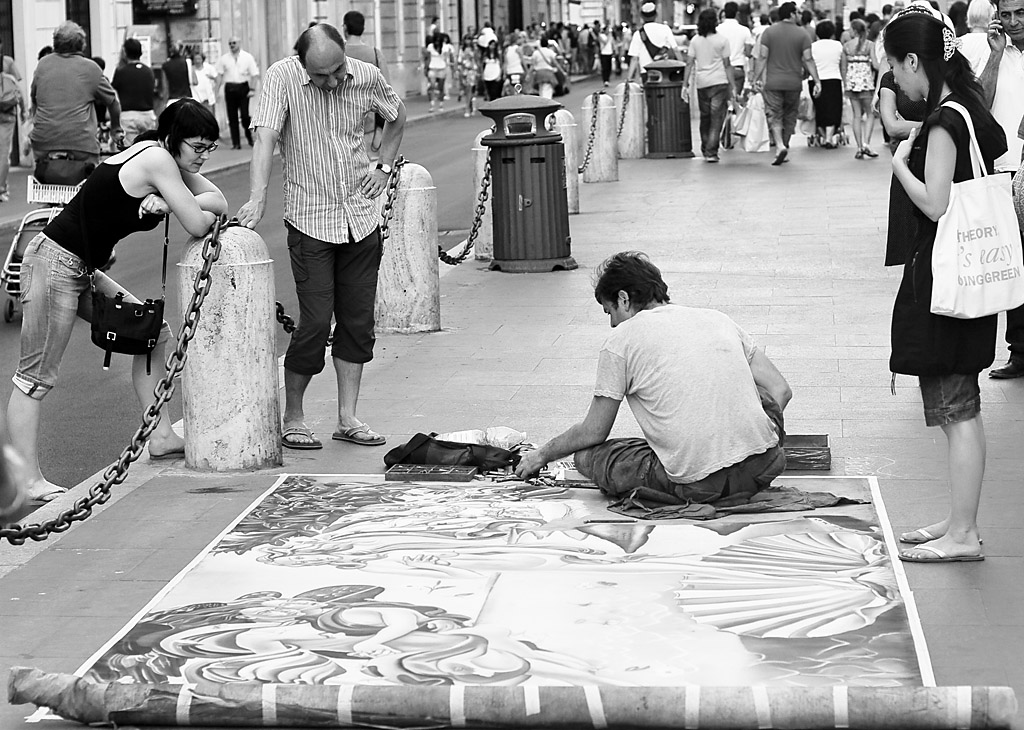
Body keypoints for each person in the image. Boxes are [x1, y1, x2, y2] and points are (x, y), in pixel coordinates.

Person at [6, 100, 228, 504]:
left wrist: (168, 201)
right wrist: (178, 203)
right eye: (198, 147)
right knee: (35, 377)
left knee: (152, 335)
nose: (204, 156)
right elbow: (198, 222)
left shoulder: (164, 157)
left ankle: (160, 436)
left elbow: (220, 201)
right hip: (53, 262)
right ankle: (26, 482)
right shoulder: (157, 160)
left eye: (209, 148)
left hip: (79, 267)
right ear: (173, 139)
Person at [237, 23, 407, 451]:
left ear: (344, 54)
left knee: (358, 321)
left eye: (337, 71)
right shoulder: (281, 77)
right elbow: (265, 137)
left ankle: (347, 417)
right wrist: (258, 196)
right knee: (314, 322)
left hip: (360, 217)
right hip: (310, 219)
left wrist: (384, 166)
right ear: (302, 64)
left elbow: (397, 114)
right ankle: (293, 416)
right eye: (320, 75)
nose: (331, 82)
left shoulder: (365, 75)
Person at [514, 251, 792, 505]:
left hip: (699, 484)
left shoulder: (621, 340)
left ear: (623, 299)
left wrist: (541, 455)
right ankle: (740, 449)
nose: (612, 323)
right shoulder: (718, 319)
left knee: (587, 456)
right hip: (764, 466)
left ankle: (702, 470)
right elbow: (780, 390)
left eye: (610, 311)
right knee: (751, 393)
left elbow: (594, 431)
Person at [885, 8, 1006, 563]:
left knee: (957, 410)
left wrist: (900, 165)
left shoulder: (942, 122)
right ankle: (959, 519)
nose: (897, 81)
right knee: (962, 406)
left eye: (895, 67)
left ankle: (964, 533)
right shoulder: (969, 105)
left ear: (914, 61)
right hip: (971, 274)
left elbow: (934, 203)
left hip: (949, 278)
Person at [959, 0, 1024, 378]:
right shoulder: (989, 51)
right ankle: (1020, 350)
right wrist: (996, 56)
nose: (1014, 22)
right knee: (1015, 262)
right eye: (1007, 14)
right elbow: (977, 107)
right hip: (1005, 169)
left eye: (1021, 13)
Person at [29, 21, 124, 185]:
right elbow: (113, 103)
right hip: (81, 145)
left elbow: (34, 97)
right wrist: (115, 129)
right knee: (89, 186)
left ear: (55, 43)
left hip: (43, 143)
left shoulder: (42, 65)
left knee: (45, 183)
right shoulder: (91, 68)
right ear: (82, 45)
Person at [753, 1, 822, 165]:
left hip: (773, 82)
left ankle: (779, 145)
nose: (799, 15)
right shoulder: (802, 34)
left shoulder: (769, 32)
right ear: (791, 14)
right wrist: (817, 81)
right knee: (790, 115)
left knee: (774, 114)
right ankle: (785, 144)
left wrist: (755, 78)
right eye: (797, 12)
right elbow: (808, 59)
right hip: (793, 82)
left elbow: (762, 57)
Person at [878, 65, 926, 266]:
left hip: (939, 161)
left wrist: (912, 127)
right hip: (908, 162)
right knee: (910, 249)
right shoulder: (891, 79)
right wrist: (939, 123)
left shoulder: (938, 75)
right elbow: (893, 127)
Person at [685, 9, 737, 163]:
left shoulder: (695, 40)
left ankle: (705, 147)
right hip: (719, 82)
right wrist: (733, 85)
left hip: (702, 83)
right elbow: (727, 65)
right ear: (715, 22)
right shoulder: (722, 40)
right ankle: (711, 151)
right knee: (716, 119)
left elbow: (689, 63)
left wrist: (685, 83)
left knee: (705, 117)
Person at [342, 11, 391, 158]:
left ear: (345, 28)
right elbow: (387, 95)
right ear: (363, 29)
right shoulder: (375, 54)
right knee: (371, 168)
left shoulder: (337, 54)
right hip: (369, 125)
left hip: (340, 127)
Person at [842, 18, 880, 158]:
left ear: (854, 30)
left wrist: (845, 82)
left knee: (856, 115)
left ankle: (859, 147)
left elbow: (844, 67)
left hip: (852, 84)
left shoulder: (846, 46)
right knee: (870, 114)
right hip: (866, 83)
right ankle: (866, 144)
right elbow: (875, 65)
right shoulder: (869, 45)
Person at [216, 37, 260, 149]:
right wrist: (216, 91)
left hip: (243, 87)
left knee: (245, 115)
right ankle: (236, 143)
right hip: (230, 87)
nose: (232, 45)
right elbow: (220, 75)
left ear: (239, 43)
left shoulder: (247, 57)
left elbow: (255, 74)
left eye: (234, 43)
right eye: (230, 43)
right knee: (232, 116)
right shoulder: (224, 59)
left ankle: (249, 136)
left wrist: (252, 89)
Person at [112, 38, 157, 146]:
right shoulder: (148, 71)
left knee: (131, 150)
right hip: (147, 114)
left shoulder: (121, 71)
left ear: (125, 52)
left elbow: (113, 92)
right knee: (147, 147)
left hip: (128, 115)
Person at [627, 2, 683, 84]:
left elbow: (634, 58)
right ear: (656, 14)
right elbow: (676, 50)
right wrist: (683, 67)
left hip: (646, 73)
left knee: (647, 92)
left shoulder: (639, 34)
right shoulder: (665, 29)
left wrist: (629, 78)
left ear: (642, 16)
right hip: (665, 72)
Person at [810, 20, 845, 147]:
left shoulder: (812, 46)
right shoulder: (838, 45)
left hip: (815, 80)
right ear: (832, 33)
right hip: (834, 79)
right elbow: (843, 66)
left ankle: (824, 136)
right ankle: (829, 138)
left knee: (819, 109)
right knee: (833, 109)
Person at [0, 38, 26, 202]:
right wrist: (23, 110)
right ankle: (1, 188)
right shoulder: (8, 61)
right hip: (7, 114)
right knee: (4, 153)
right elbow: (17, 87)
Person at [717, 2, 754, 95]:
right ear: (737, 13)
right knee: (735, 98)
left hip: (720, 70)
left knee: (721, 100)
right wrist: (751, 71)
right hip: (738, 69)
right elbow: (749, 53)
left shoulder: (717, 30)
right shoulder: (744, 30)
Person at [424, 33, 455, 112]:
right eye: (435, 40)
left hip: (441, 68)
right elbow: (427, 57)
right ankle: (432, 104)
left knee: (441, 87)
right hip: (432, 68)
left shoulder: (445, 47)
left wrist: (450, 65)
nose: (437, 42)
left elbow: (447, 58)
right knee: (432, 86)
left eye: (438, 41)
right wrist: (425, 67)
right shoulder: (430, 46)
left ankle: (441, 104)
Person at [456, 35, 479, 116]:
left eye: (469, 39)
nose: (467, 41)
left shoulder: (474, 49)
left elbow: (476, 59)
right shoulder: (461, 49)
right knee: (467, 89)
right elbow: (459, 60)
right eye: (466, 39)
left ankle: (468, 107)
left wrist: (478, 70)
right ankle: (470, 105)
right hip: (464, 70)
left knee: (470, 88)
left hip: (472, 71)